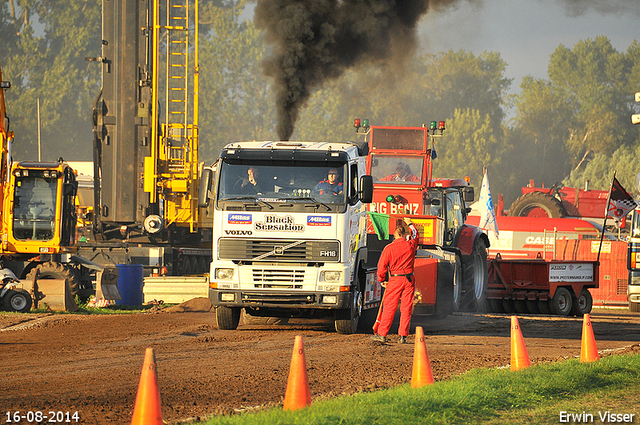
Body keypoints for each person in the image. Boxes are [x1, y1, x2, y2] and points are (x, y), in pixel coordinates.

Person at [371, 217, 419, 344]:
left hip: (395, 279)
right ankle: (403, 336)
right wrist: (410, 223)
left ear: (394, 235)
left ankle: (382, 334)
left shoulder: (389, 248)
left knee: (389, 307)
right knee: (406, 307)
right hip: (409, 279)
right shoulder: (411, 244)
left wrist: (382, 279)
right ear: (404, 235)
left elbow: (381, 266)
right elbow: (415, 234)